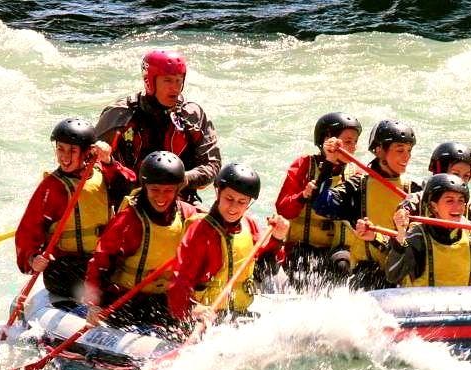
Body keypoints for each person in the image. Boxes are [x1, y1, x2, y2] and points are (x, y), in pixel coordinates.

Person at [15, 118, 136, 298]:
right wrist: (33, 258)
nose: (65, 156)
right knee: (96, 285)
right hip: (66, 267)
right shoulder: (52, 187)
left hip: (100, 260)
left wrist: (109, 160)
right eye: (60, 149)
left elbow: (129, 186)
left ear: (87, 151)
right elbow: (28, 231)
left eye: (72, 150)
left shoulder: (102, 172)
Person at [83, 151, 200, 334]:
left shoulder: (188, 214)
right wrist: (94, 305)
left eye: (168, 190)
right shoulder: (128, 221)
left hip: (164, 298)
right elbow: (99, 264)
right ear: (144, 187)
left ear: (177, 189)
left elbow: (212, 229)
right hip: (126, 299)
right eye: (155, 190)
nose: (161, 197)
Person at [168, 163, 290, 325]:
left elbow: (265, 266)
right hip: (204, 318)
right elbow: (179, 283)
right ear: (218, 193)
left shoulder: (249, 225)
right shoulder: (200, 232)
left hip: (239, 313)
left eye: (242, 202)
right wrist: (193, 310)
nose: (233, 207)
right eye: (229, 198)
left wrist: (277, 238)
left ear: (249, 203)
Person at [95, 49, 221, 204]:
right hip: (128, 199)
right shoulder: (120, 114)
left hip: (178, 199)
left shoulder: (192, 115)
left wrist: (185, 178)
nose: (175, 88)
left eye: (179, 80)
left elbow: (212, 164)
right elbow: (93, 161)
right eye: (168, 80)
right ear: (150, 81)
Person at [313, 119, 416, 290]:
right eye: (400, 150)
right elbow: (322, 205)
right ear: (379, 151)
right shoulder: (358, 186)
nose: (406, 156)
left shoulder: (414, 189)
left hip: (402, 270)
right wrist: (330, 161)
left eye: (409, 150)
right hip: (368, 273)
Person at [275, 112, 362, 290]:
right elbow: (284, 209)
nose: (353, 147)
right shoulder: (304, 166)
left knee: (343, 265)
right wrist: (302, 196)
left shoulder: (358, 174)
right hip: (303, 248)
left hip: (339, 252)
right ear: (328, 140)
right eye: (347, 142)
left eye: (354, 142)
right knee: (303, 267)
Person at [401, 142, 471, 224]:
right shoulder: (415, 202)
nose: (460, 180)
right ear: (439, 172)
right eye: (455, 174)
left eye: (466, 176)